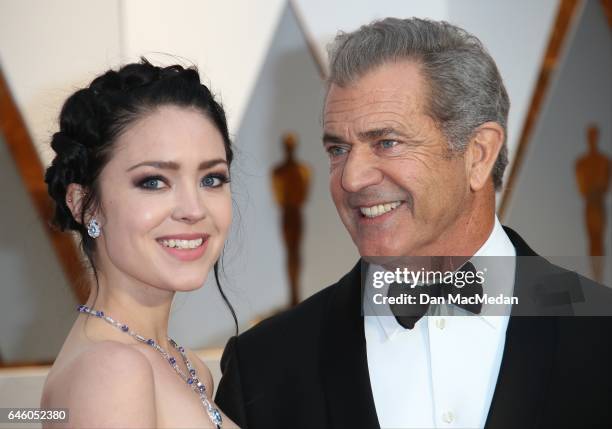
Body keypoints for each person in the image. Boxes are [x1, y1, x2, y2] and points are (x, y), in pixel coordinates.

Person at [215, 18, 612, 428]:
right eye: (338, 148)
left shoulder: (602, 335)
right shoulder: (265, 366)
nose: (351, 178)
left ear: (477, 154)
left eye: (386, 142)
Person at [40, 59, 238, 428]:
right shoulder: (113, 370)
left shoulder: (185, 366)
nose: (193, 210)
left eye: (211, 179)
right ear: (83, 204)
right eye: (153, 182)